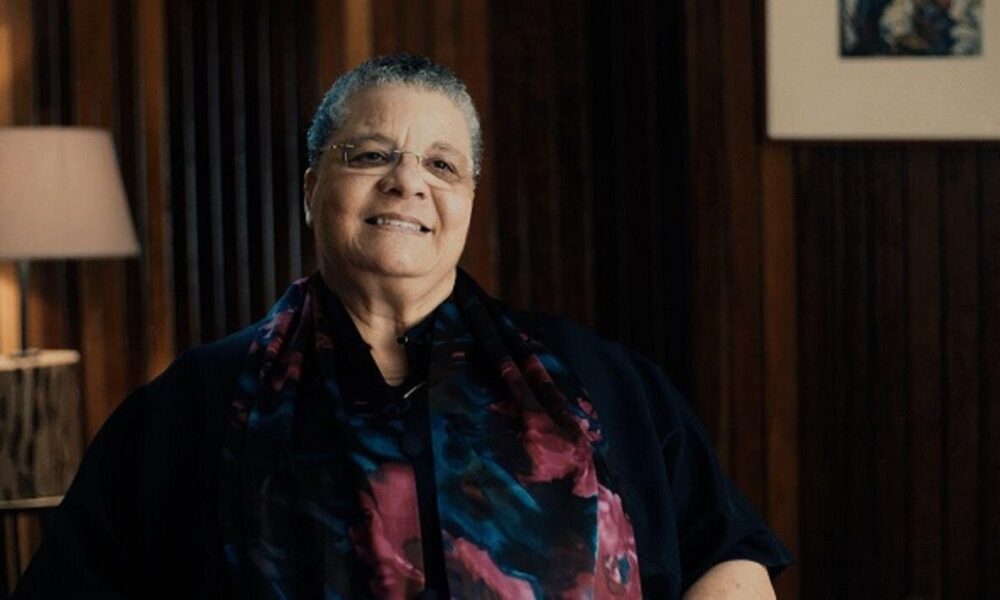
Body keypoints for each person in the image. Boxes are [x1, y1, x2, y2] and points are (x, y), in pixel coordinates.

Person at [12, 54, 791, 599]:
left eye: (441, 165)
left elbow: (727, 556)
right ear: (312, 189)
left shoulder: (600, 382)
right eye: (370, 154)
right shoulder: (197, 404)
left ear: (469, 200)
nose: (407, 181)